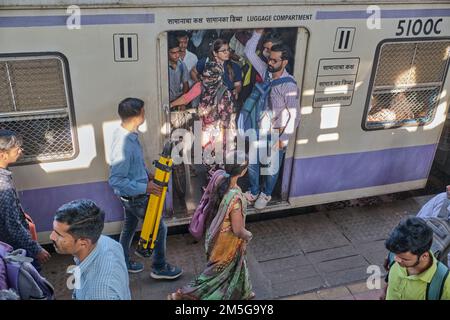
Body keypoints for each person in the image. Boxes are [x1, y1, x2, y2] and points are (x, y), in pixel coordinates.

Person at [108, 97, 183, 279]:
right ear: (137, 116)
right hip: (136, 197)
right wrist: (145, 187)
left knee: (129, 228)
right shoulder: (123, 144)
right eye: (143, 112)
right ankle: (159, 267)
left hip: (130, 197)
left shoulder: (127, 134)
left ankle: (124, 262)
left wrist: (146, 173)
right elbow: (116, 180)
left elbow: (133, 165)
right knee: (160, 228)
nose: (145, 114)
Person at [168, 151, 254, 300]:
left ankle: (244, 292)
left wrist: (243, 196)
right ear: (243, 172)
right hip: (227, 243)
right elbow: (238, 230)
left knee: (236, 266)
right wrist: (248, 235)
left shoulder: (220, 179)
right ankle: (180, 295)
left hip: (216, 236)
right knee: (213, 275)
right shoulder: (236, 199)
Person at [243, 28, 300, 210]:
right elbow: (248, 53)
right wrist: (257, 33)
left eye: (275, 60)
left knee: (271, 166)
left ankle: (266, 194)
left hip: (276, 132)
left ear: (284, 62)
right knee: (253, 162)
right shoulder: (266, 71)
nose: (270, 63)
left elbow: (295, 114)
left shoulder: (288, 85)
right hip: (259, 127)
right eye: (270, 59)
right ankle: (253, 190)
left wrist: (284, 139)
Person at [50, 199, 131, 300]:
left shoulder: (99, 293)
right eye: (54, 230)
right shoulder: (107, 242)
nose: (52, 237)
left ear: (83, 243)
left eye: (59, 235)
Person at [0, 130, 51, 270]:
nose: (20, 151)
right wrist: (36, 249)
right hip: (14, 247)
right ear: (2, 154)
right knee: (31, 278)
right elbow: (13, 226)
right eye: (17, 149)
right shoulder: (3, 185)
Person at [171, 62, 234, 166]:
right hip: (205, 129)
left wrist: (218, 142)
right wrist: (171, 104)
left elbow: (225, 121)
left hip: (218, 132)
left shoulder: (224, 93)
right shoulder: (201, 85)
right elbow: (186, 98)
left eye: (209, 78)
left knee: (217, 163)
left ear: (217, 77)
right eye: (204, 77)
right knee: (206, 161)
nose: (205, 80)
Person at [383, 216, 450, 300]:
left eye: (405, 259)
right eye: (395, 254)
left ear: (424, 256)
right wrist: (384, 292)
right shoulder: (398, 252)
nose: (396, 259)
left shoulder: (444, 283)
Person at [168, 36, 189, 104]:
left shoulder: (182, 65)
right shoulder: (163, 67)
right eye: (173, 53)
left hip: (177, 100)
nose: (177, 55)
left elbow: (185, 85)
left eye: (178, 52)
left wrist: (181, 102)